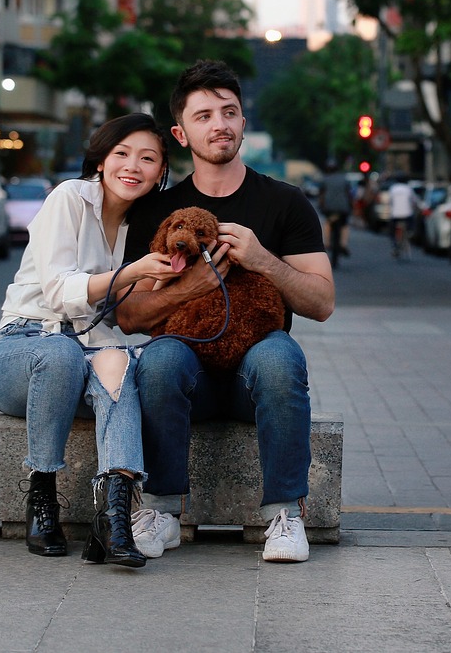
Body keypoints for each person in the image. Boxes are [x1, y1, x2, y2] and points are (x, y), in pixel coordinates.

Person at [119, 59, 334, 564]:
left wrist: (263, 261)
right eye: (204, 116)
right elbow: (130, 317)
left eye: (229, 112)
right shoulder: (158, 211)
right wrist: (189, 288)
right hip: (185, 373)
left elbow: (322, 303)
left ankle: (286, 516)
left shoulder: (285, 202)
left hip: (252, 375)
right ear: (180, 133)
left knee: (281, 357)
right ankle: (161, 511)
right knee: (158, 359)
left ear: (243, 121)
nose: (220, 124)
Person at [0, 114, 182, 568]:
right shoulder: (69, 197)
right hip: (22, 347)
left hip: (87, 348)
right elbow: (58, 293)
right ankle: (41, 496)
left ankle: (114, 518)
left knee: (119, 364)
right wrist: (131, 273)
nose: (133, 166)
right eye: (122, 154)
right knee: (60, 354)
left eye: (148, 159)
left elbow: (126, 316)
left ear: (160, 171)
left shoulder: (143, 225)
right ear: (102, 159)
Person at [318, 159, 353, 268]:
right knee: (345, 225)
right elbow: (349, 194)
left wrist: (321, 206)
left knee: (328, 223)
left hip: (329, 208)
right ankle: (343, 244)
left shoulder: (325, 179)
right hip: (343, 208)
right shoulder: (344, 179)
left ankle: (327, 242)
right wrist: (350, 206)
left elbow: (321, 195)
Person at [387, 174, 417, 258]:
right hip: (407, 214)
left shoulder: (393, 188)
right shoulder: (408, 189)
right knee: (412, 223)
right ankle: (410, 232)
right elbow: (414, 200)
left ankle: (394, 244)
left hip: (395, 215)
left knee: (392, 230)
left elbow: (390, 201)